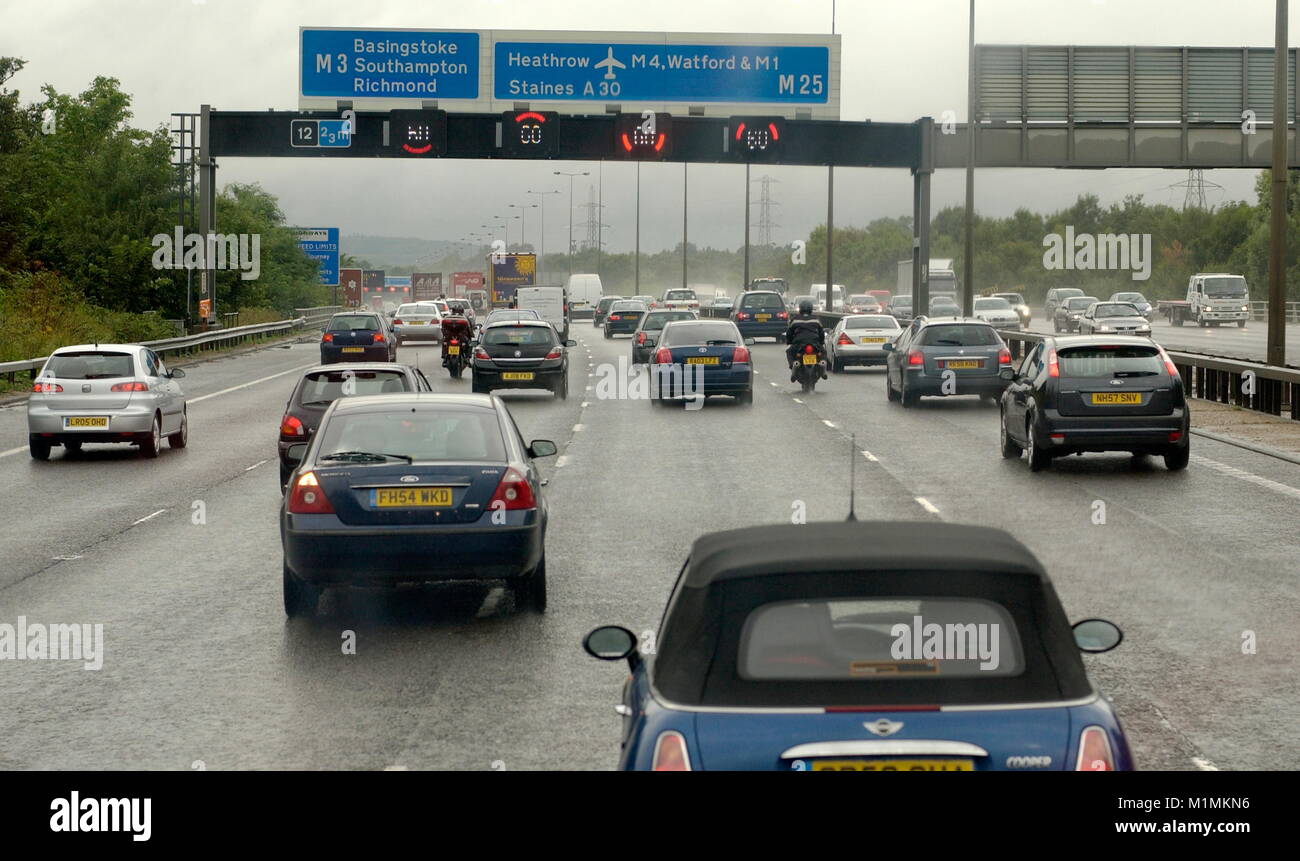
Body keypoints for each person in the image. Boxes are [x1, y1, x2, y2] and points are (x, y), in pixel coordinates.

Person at [785, 299, 827, 382]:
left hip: (799, 343)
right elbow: (821, 332)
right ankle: (822, 366)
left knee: (789, 351)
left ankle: (794, 365)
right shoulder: (816, 319)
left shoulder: (795, 320)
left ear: (800, 309)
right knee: (824, 352)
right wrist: (821, 342)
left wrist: (789, 341)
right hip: (814, 343)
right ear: (811, 309)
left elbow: (789, 333)